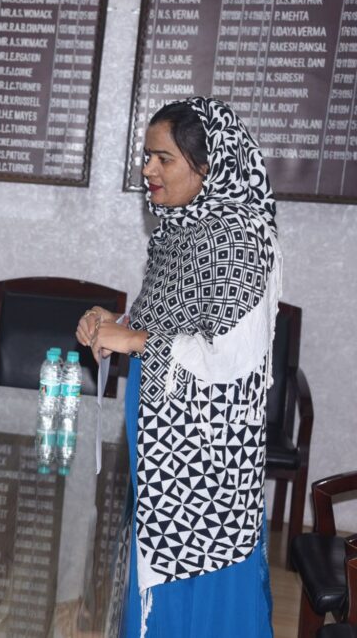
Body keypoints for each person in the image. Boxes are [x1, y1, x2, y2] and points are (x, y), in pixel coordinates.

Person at [75, 98, 280, 637]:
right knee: (155, 580)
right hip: (164, 445)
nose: (148, 170)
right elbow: (172, 319)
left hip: (203, 466)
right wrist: (114, 323)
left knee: (198, 601)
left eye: (163, 159)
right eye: (147, 156)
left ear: (207, 165)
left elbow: (231, 356)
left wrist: (135, 339)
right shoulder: (181, 228)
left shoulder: (236, 238)